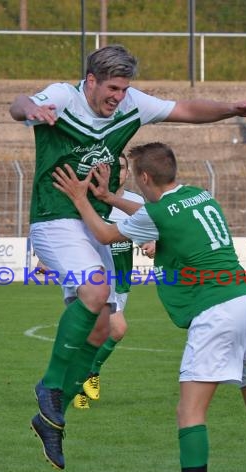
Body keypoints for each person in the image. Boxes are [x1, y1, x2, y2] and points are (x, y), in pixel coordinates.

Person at [9, 44, 246, 472]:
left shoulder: (132, 103)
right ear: (90, 81)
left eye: (123, 89)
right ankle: (50, 388)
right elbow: (17, 105)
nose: (118, 97)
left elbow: (186, 110)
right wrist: (33, 109)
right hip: (55, 217)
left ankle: (51, 417)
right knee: (95, 290)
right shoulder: (64, 98)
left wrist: (230, 110)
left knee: (106, 325)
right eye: (111, 88)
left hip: (94, 222)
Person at [52, 142, 246, 472]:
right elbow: (153, 218)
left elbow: (103, 231)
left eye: (136, 176)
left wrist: (83, 199)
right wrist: (108, 196)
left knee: (189, 413)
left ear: (146, 178)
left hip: (216, 311)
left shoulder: (156, 211)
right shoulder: (198, 195)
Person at [74, 152, 149, 410]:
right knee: (116, 329)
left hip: (122, 278)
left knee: (100, 334)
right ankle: (91, 373)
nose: (119, 173)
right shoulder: (88, 201)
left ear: (128, 173)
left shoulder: (134, 202)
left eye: (123, 168)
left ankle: (79, 384)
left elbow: (146, 232)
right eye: (113, 168)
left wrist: (150, 243)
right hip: (95, 277)